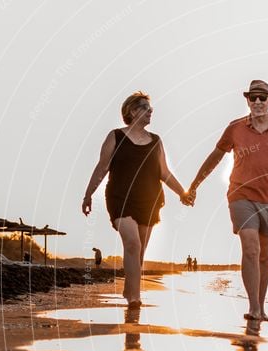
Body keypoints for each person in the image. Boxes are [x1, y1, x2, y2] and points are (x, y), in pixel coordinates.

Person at [189, 79, 268, 321]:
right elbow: (215, 157)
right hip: (241, 195)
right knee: (251, 248)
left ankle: (261, 306)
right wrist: (195, 184)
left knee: (264, 256)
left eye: (263, 97)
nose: (258, 102)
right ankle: (253, 308)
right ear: (247, 100)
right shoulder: (235, 128)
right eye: (253, 98)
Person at [82, 91, 191, 309]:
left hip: (149, 200)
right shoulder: (115, 136)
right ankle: (135, 298)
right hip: (120, 198)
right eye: (145, 107)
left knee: (139, 252)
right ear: (132, 111)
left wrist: (182, 192)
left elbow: (164, 172)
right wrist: (88, 194)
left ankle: (130, 288)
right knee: (132, 243)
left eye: (151, 109)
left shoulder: (156, 141)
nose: (151, 111)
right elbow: (102, 167)